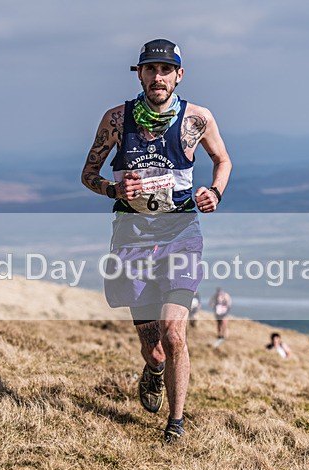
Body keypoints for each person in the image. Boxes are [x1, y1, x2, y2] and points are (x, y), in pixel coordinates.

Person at [80, 39, 232, 443]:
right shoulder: (116, 119)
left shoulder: (197, 119)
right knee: (155, 348)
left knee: (174, 332)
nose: (158, 76)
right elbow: (88, 174)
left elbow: (223, 160)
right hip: (131, 238)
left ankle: (176, 424)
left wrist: (214, 192)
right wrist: (114, 190)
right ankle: (154, 369)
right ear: (140, 74)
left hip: (181, 233)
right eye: (151, 69)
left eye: (166, 70)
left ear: (179, 75)